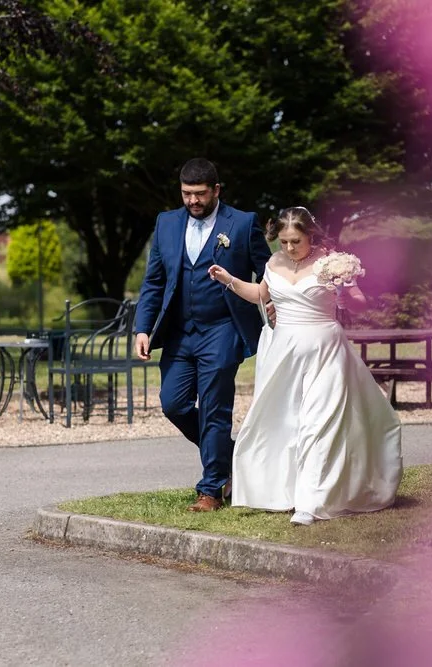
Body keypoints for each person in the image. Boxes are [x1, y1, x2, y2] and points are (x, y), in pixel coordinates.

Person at [208, 207, 403, 526]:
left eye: (295, 241)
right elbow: (260, 294)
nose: (288, 248)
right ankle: (286, 491)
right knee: (286, 423)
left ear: (310, 235)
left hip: (325, 351)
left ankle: (310, 503)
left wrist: (343, 294)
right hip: (283, 353)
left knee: (319, 421)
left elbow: (360, 303)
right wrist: (228, 280)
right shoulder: (274, 262)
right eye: (283, 241)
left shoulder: (331, 263)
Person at [134, 158, 272, 512]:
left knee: (214, 408)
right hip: (180, 333)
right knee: (173, 403)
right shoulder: (166, 223)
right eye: (186, 194)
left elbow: (269, 272)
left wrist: (281, 305)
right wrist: (142, 328)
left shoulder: (241, 223)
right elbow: (154, 281)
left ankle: (210, 489)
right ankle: (230, 458)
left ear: (216, 190)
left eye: (200, 194)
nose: (193, 201)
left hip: (222, 329)